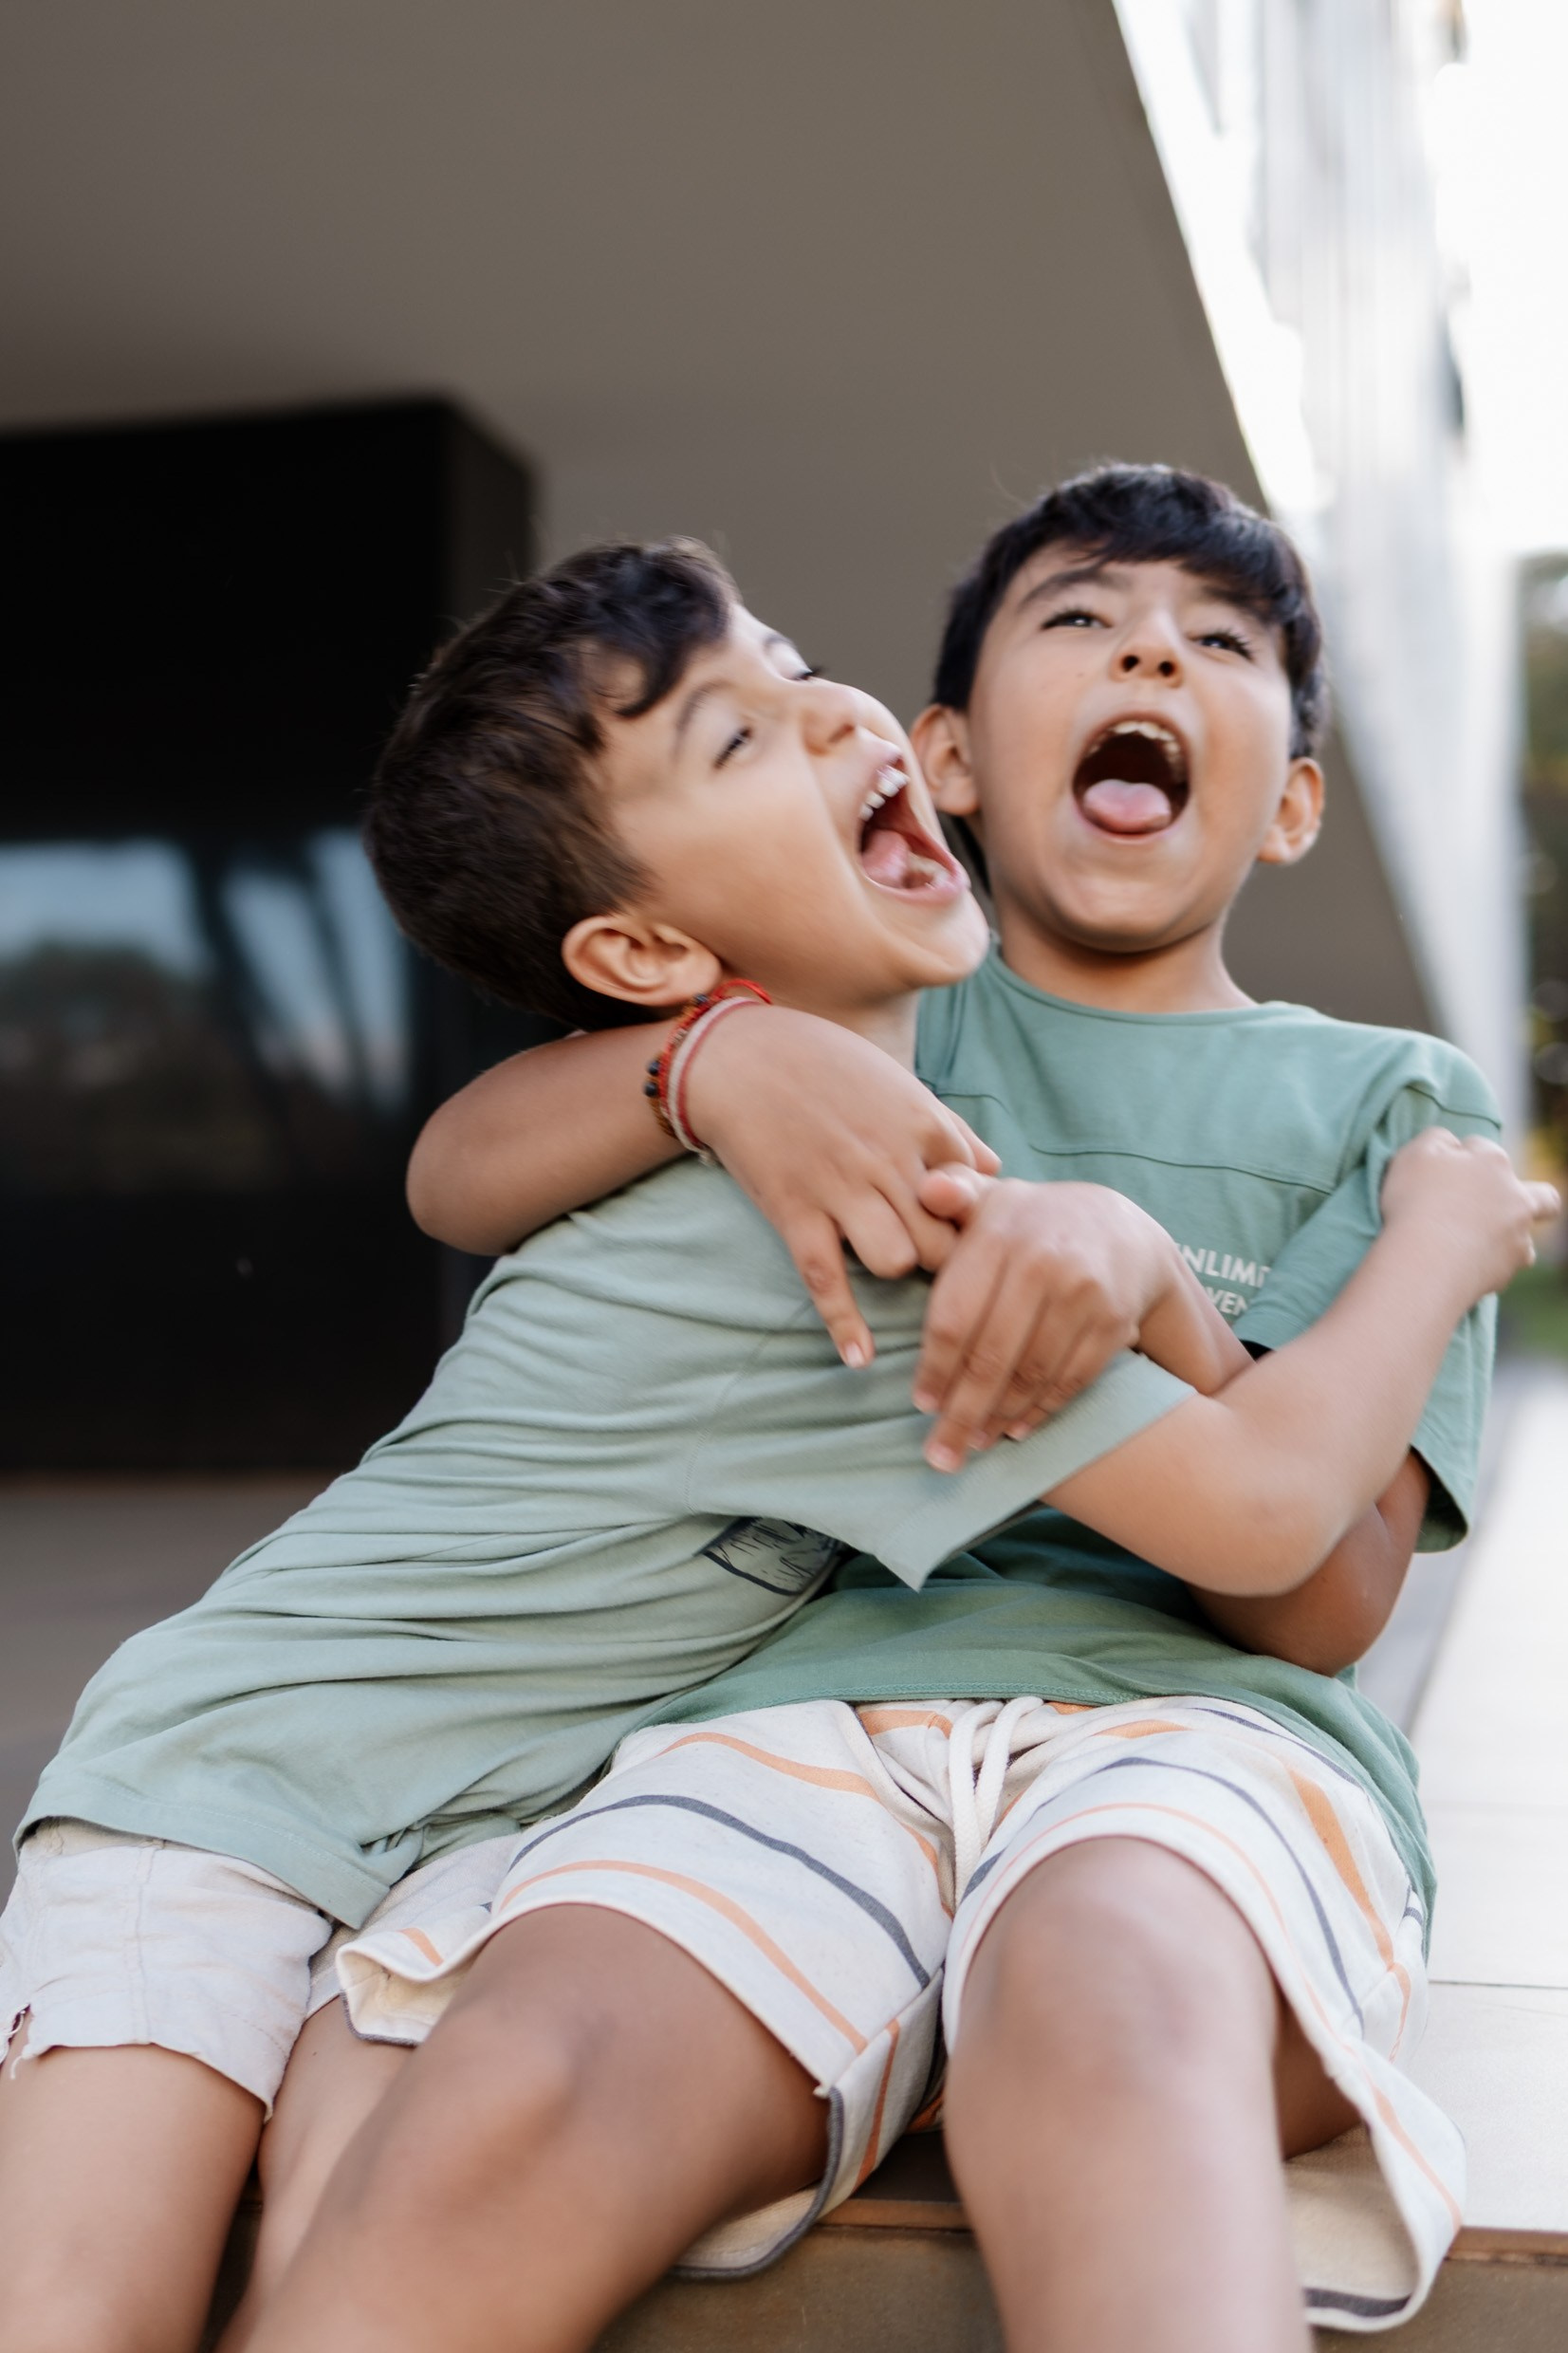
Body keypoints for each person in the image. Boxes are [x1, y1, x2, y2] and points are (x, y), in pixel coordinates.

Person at [221, 513, 1547, 2353]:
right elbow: (458, 1173)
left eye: (1219, 641)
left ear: (1296, 804)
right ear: (945, 759)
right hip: (793, 1714)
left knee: (1104, 2000)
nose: (1149, 654)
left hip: (1196, 1729)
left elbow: (1316, 1597)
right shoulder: (848, 978)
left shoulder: (1397, 1109)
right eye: (1079, 617)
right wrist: (713, 1059)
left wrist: (1242, 1262)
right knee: (524, 2076)